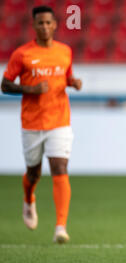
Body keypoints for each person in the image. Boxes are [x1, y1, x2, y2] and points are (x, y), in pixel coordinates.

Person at [1, 6, 82, 244]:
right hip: (32, 122)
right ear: (34, 26)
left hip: (59, 120)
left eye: (48, 23)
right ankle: (29, 198)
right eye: (40, 23)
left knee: (59, 167)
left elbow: (65, 77)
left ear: (55, 25)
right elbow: (5, 85)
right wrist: (29, 89)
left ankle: (60, 226)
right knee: (34, 173)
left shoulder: (65, 51)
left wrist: (73, 82)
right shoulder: (22, 54)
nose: (44, 27)